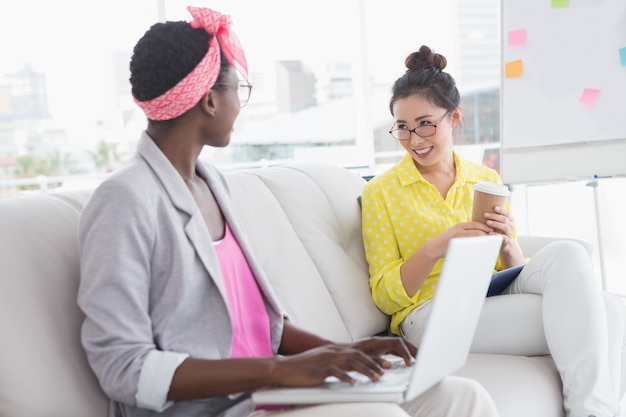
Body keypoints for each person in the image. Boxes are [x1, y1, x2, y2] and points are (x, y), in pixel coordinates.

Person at [77, 9, 501, 417]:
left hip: (272, 390)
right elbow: (123, 368)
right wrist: (278, 370)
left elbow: (264, 326)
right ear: (209, 100)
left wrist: (340, 352)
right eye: (237, 90)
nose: (240, 105)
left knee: (461, 398)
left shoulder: (212, 186)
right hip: (223, 406)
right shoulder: (125, 201)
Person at [361, 44, 626, 417]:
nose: (415, 139)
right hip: (429, 315)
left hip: (488, 296)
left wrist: (507, 246)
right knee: (606, 310)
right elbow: (386, 298)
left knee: (570, 254)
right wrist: (436, 247)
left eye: (426, 123)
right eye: (402, 128)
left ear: (454, 118)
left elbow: (510, 269)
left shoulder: (484, 179)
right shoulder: (380, 193)